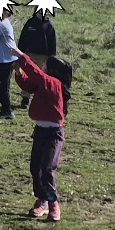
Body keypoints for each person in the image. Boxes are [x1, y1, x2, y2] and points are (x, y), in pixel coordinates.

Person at [12, 53, 69, 220]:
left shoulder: (54, 84)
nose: (42, 66)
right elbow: (29, 84)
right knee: (35, 168)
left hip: (53, 135)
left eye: (46, 65)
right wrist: (19, 73)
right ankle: (42, 200)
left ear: (52, 70)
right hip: (40, 132)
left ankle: (53, 203)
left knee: (47, 169)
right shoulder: (45, 84)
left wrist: (21, 56)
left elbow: (37, 75)